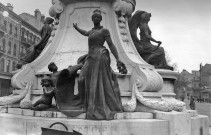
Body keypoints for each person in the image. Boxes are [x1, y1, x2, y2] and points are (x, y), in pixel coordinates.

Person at [73, 9, 126, 120]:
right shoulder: (91, 32)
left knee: (98, 81)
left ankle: (96, 106)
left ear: (100, 19)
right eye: (94, 17)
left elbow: (111, 45)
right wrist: (76, 28)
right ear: (92, 19)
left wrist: (118, 59)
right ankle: (85, 103)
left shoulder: (104, 31)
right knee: (81, 79)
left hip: (100, 56)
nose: (96, 18)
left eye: (98, 17)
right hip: (90, 57)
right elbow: (84, 33)